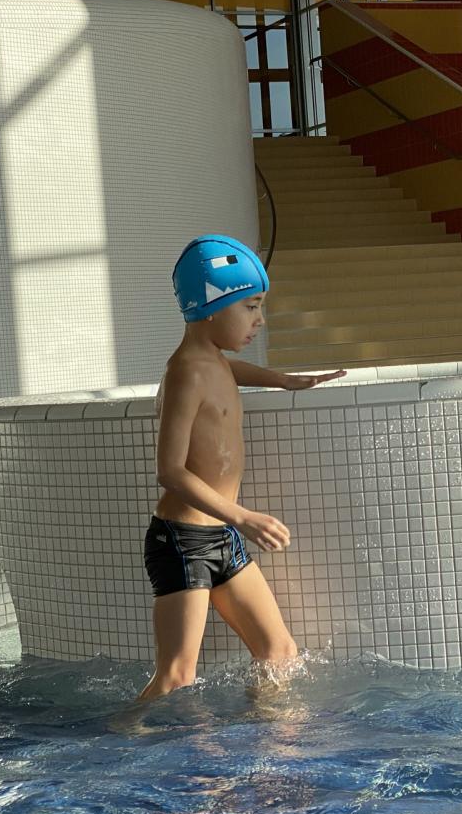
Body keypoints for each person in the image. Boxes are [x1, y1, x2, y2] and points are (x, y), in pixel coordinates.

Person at [140, 234, 345, 699]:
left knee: (279, 653)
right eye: (250, 306)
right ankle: (120, 736)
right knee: (176, 677)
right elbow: (170, 470)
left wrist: (285, 381)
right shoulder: (185, 372)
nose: (259, 320)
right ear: (211, 306)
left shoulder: (211, 360)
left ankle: (267, 733)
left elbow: (232, 370)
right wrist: (243, 517)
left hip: (221, 536)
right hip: (183, 541)